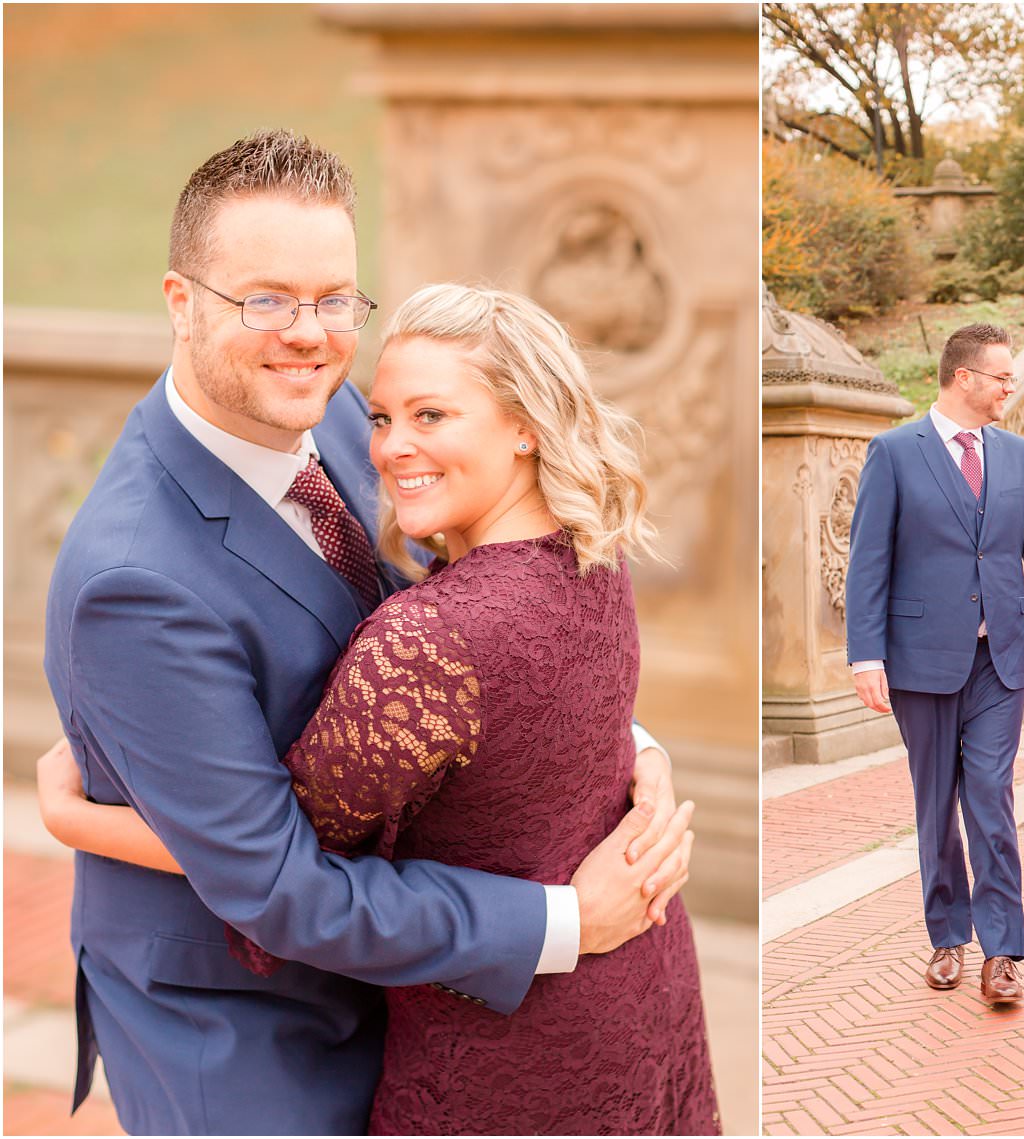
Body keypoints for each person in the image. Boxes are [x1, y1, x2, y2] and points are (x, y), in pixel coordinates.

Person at [38, 129, 693, 1135]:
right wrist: (568, 919)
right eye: (265, 299)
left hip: (412, 989)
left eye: (335, 298)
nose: (309, 332)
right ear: (181, 303)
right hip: (255, 1033)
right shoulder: (135, 581)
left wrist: (625, 752)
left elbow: (488, 637)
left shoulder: (348, 416)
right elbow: (275, 885)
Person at [844, 322, 1024, 1006]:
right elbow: (868, 560)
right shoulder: (894, 452)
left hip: (1001, 660)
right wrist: (864, 654)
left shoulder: (1015, 455)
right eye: (1001, 377)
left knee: (990, 795)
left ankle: (1003, 950)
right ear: (964, 378)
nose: (1010, 387)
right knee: (934, 803)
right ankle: (946, 934)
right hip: (919, 659)